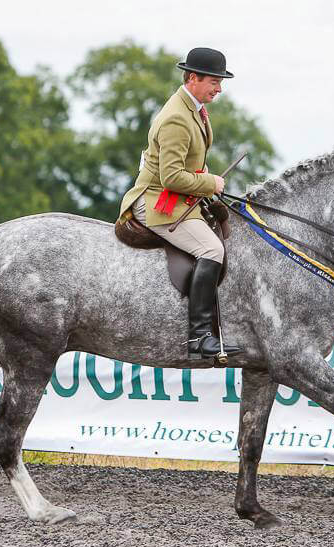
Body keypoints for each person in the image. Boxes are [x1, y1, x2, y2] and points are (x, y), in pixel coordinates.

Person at [118, 47, 242, 360]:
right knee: (211, 249)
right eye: (214, 81)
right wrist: (209, 182)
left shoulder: (194, 109)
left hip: (180, 197)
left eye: (221, 81)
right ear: (192, 77)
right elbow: (171, 176)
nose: (219, 87)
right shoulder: (176, 118)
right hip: (157, 202)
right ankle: (199, 336)